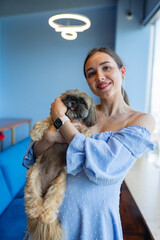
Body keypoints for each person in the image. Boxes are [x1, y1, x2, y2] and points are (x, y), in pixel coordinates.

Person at [23, 47, 155, 240]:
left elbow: (107, 165)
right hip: (54, 215)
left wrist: (60, 118)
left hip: (96, 221)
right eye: (91, 73)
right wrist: (49, 138)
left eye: (106, 68)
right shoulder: (82, 110)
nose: (99, 76)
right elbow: (35, 157)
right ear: (88, 82)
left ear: (122, 71)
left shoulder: (142, 120)